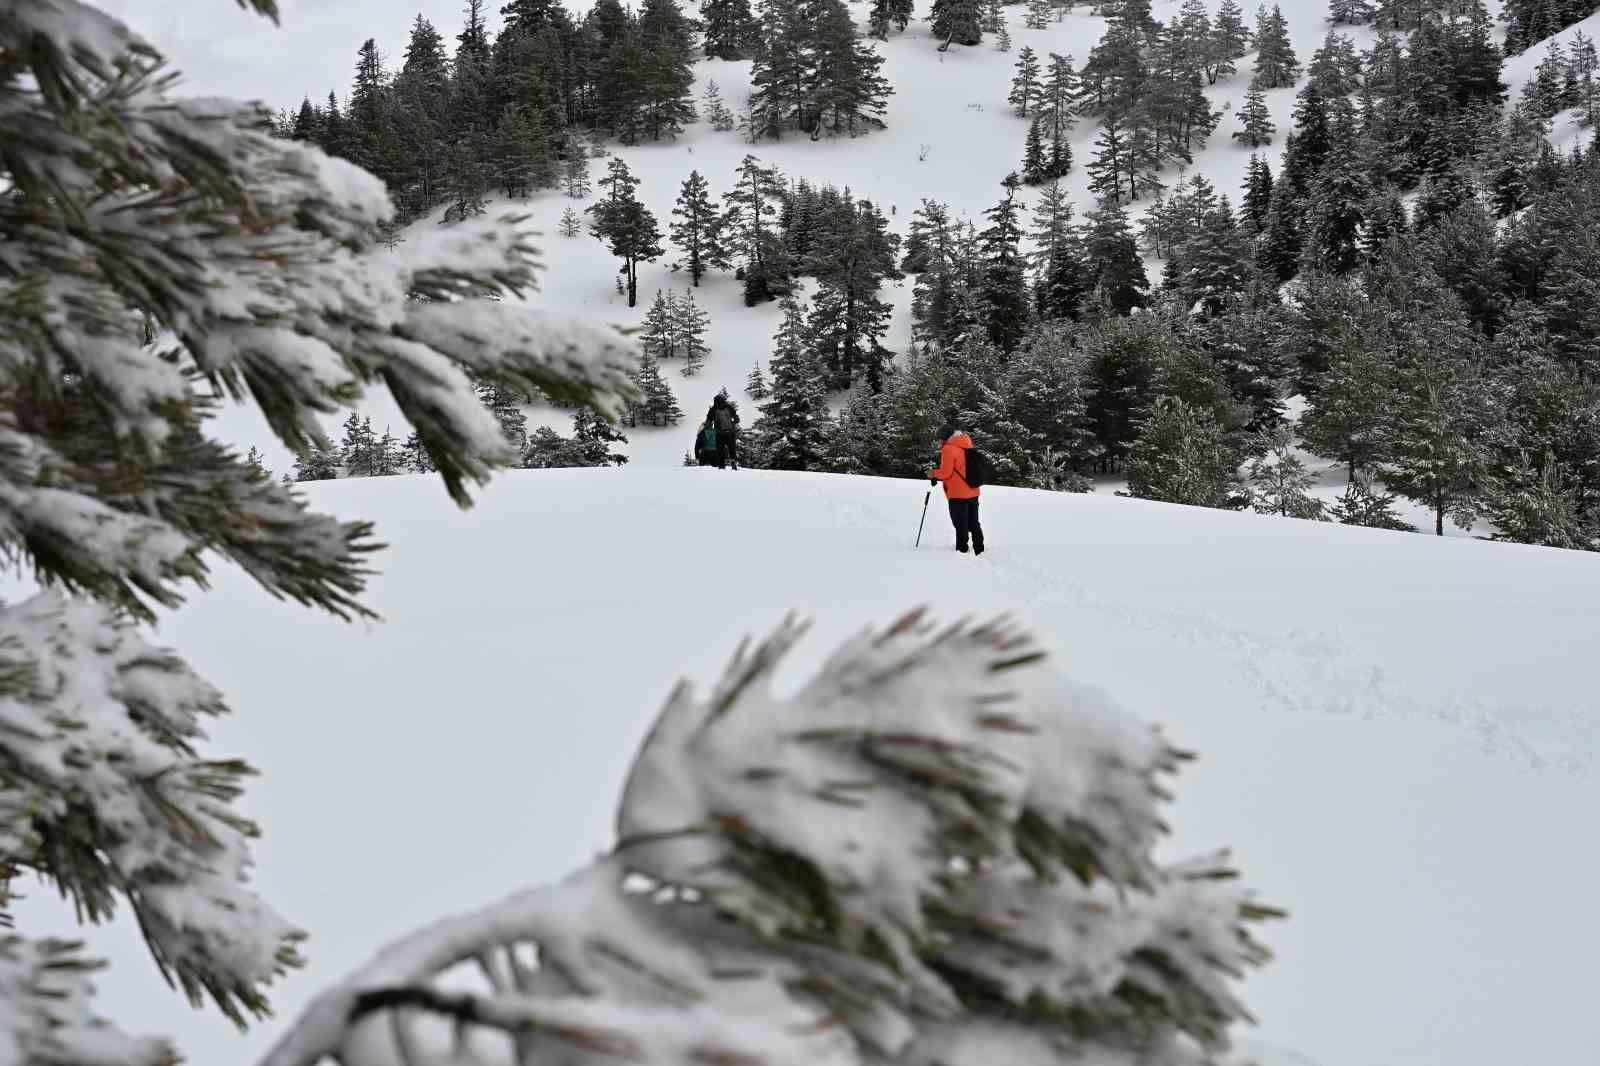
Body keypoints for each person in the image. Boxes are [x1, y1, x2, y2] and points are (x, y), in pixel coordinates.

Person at [928, 422, 984, 555]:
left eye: (940, 439)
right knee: (973, 522)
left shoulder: (948, 449)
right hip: (973, 491)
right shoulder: (967, 445)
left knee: (960, 524)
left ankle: (962, 550)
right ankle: (979, 548)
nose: (939, 442)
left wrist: (933, 473)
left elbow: (946, 473)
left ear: (945, 437)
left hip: (957, 494)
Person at [708, 392, 740, 470]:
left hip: (719, 433)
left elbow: (709, 421)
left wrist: (709, 428)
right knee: (732, 449)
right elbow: (736, 418)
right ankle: (733, 462)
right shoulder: (728, 407)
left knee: (720, 450)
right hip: (730, 432)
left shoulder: (713, 409)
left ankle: (721, 465)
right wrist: (733, 422)